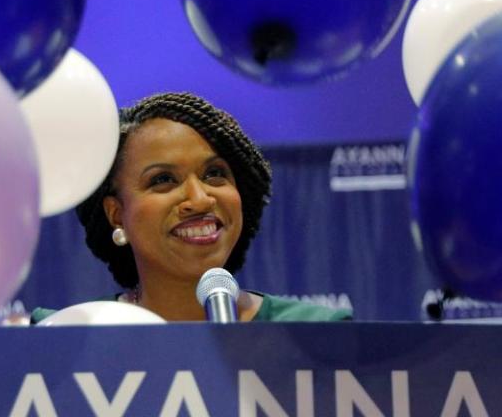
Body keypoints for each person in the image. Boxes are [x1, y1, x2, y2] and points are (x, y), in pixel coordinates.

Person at [31, 92, 351, 322]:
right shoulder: (65, 334)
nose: (200, 199)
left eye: (215, 174)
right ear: (117, 214)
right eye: (163, 180)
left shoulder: (318, 334)